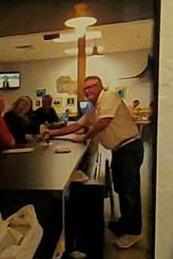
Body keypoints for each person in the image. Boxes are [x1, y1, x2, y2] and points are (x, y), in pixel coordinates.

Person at [44, 74, 145, 248]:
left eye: (91, 87)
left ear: (100, 87)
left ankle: (134, 232)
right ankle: (125, 223)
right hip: (118, 151)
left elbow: (103, 123)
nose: (87, 91)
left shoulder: (109, 96)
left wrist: (86, 136)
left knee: (130, 192)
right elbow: (76, 125)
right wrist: (52, 133)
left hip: (129, 148)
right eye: (85, 89)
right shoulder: (95, 109)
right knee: (121, 189)